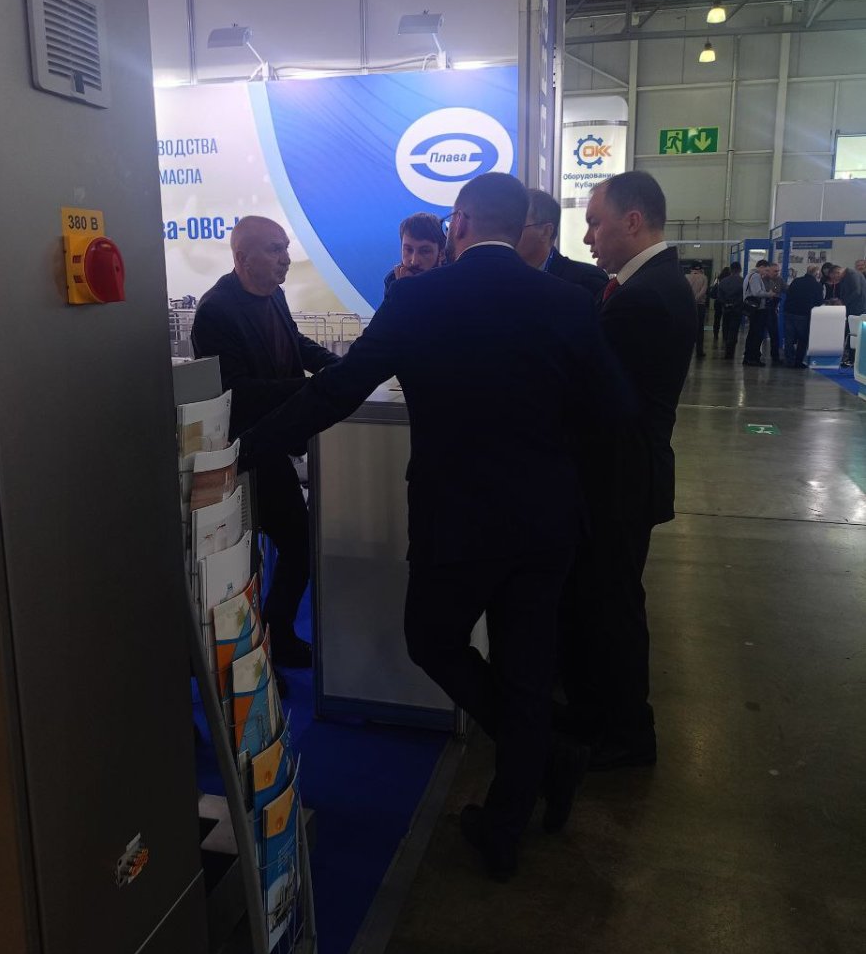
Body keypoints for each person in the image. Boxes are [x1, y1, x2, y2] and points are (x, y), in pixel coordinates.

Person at [239, 173, 631, 880]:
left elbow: (338, 390)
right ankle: (510, 819)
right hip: (544, 521)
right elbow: (613, 415)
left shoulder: (418, 298)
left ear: (461, 223)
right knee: (526, 670)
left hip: (456, 519)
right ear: (519, 225)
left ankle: (544, 764)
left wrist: (244, 450)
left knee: (433, 640)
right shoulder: (570, 302)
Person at [562, 170, 696, 770]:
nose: (588, 238)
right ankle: (602, 716)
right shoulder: (649, 284)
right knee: (605, 601)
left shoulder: (644, 298)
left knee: (611, 608)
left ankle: (626, 735)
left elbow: (596, 396)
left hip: (617, 478)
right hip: (625, 474)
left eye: (596, 223)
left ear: (632, 221)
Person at [191, 216, 340, 668]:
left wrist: (338, 367)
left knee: (297, 545)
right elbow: (236, 393)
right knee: (258, 559)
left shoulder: (272, 293)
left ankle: (275, 637)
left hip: (274, 443)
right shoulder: (216, 312)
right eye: (275, 249)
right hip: (245, 454)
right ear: (243, 258)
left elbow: (293, 343)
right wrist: (311, 388)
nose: (286, 259)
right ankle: (253, 658)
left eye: (286, 248)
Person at [516, 187, 608, 296]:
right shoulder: (504, 276)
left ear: (546, 232)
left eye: (516, 227)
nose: (508, 234)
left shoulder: (586, 282)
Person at [382, 212, 445, 299]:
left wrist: (408, 291)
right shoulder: (393, 280)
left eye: (425, 251)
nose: (414, 261)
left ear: (442, 254)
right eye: (408, 250)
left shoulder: (453, 283)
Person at [783, 265, 824, 368]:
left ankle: (789, 360)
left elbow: (788, 293)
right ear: (816, 273)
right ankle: (798, 361)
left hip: (789, 312)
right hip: (804, 314)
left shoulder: (796, 281)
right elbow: (819, 302)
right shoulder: (817, 285)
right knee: (803, 339)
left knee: (789, 338)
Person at [826, 263, 866, 365]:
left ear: (837, 272)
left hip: (857, 310)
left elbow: (857, 292)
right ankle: (851, 359)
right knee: (852, 335)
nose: (834, 281)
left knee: (853, 335)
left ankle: (851, 359)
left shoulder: (852, 275)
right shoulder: (849, 276)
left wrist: (843, 302)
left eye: (834, 278)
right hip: (855, 309)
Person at [742, 260, 772, 367]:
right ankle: (753, 358)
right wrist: (769, 294)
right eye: (766, 270)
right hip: (758, 310)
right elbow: (756, 292)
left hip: (754, 310)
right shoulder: (755, 276)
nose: (766, 272)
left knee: (752, 333)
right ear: (761, 267)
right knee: (756, 335)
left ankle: (749, 357)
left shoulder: (749, 275)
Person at [717, 262, 744, 359]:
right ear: (740, 270)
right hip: (737, 310)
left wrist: (725, 304)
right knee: (734, 330)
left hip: (726, 309)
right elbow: (743, 297)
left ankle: (726, 345)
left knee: (726, 328)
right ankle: (730, 352)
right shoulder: (743, 281)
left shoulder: (723, 281)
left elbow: (719, 296)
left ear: (730, 270)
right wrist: (735, 304)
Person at [763, 263, 785, 364]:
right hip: (762, 309)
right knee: (758, 334)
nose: (777, 273)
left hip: (772, 309)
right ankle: (754, 355)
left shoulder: (779, 280)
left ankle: (775, 357)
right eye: (775, 271)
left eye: (778, 271)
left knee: (774, 334)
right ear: (769, 271)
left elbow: (787, 289)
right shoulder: (762, 280)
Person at [687, 262, 709, 359]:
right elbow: (703, 291)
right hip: (700, 306)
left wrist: (690, 301)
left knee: (688, 328)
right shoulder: (704, 277)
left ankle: (687, 350)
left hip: (688, 305)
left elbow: (684, 290)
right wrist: (695, 300)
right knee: (700, 329)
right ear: (701, 269)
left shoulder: (686, 277)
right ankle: (699, 351)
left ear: (691, 268)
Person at [711, 266, 731, 343]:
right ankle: (725, 335)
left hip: (718, 301)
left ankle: (715, 334)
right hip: (726, 301)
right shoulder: (729, 280)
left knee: (717, 318)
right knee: (726, 319)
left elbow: (713, 288)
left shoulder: (718, 279)